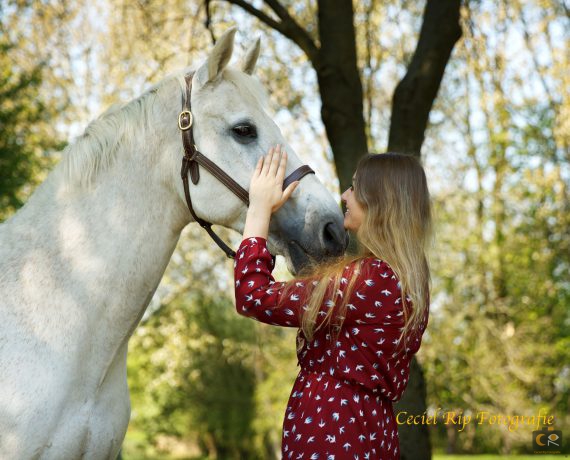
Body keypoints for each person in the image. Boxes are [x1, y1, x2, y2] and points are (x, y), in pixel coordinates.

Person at [234, 145, 432, 459]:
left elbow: (254, 297)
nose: (344, 195)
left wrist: (258, 209)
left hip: (332, 431)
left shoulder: (368, 281)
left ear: (379, 202)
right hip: (372, 429)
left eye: (355, 187)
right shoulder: (411, 279)